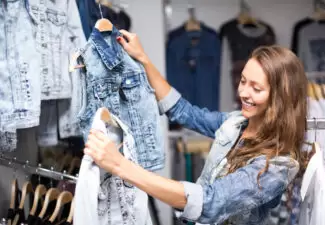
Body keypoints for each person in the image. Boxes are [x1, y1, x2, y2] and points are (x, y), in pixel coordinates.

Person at [84, 30, 308, 224]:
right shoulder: (236, 122)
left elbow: (210, 201)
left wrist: (120, 165)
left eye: (256, 88)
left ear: (280, 97)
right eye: (242, 81)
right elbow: (183, 111)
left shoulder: (279, 164)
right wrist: (143, 59)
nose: (243, 93)